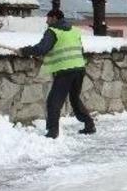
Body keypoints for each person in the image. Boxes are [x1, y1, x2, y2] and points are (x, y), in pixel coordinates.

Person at [19, 10, 95, 138]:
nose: (46, 21)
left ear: (54, 18)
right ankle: (89, 124)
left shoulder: (53, 31)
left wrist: (24, 51)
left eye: (48, 18)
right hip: (79, 68)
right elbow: (79, 49)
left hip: (65, 71)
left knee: (54, 101)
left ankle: (53, 132)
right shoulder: (74, 31)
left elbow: (41, 49)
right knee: (75, 99)